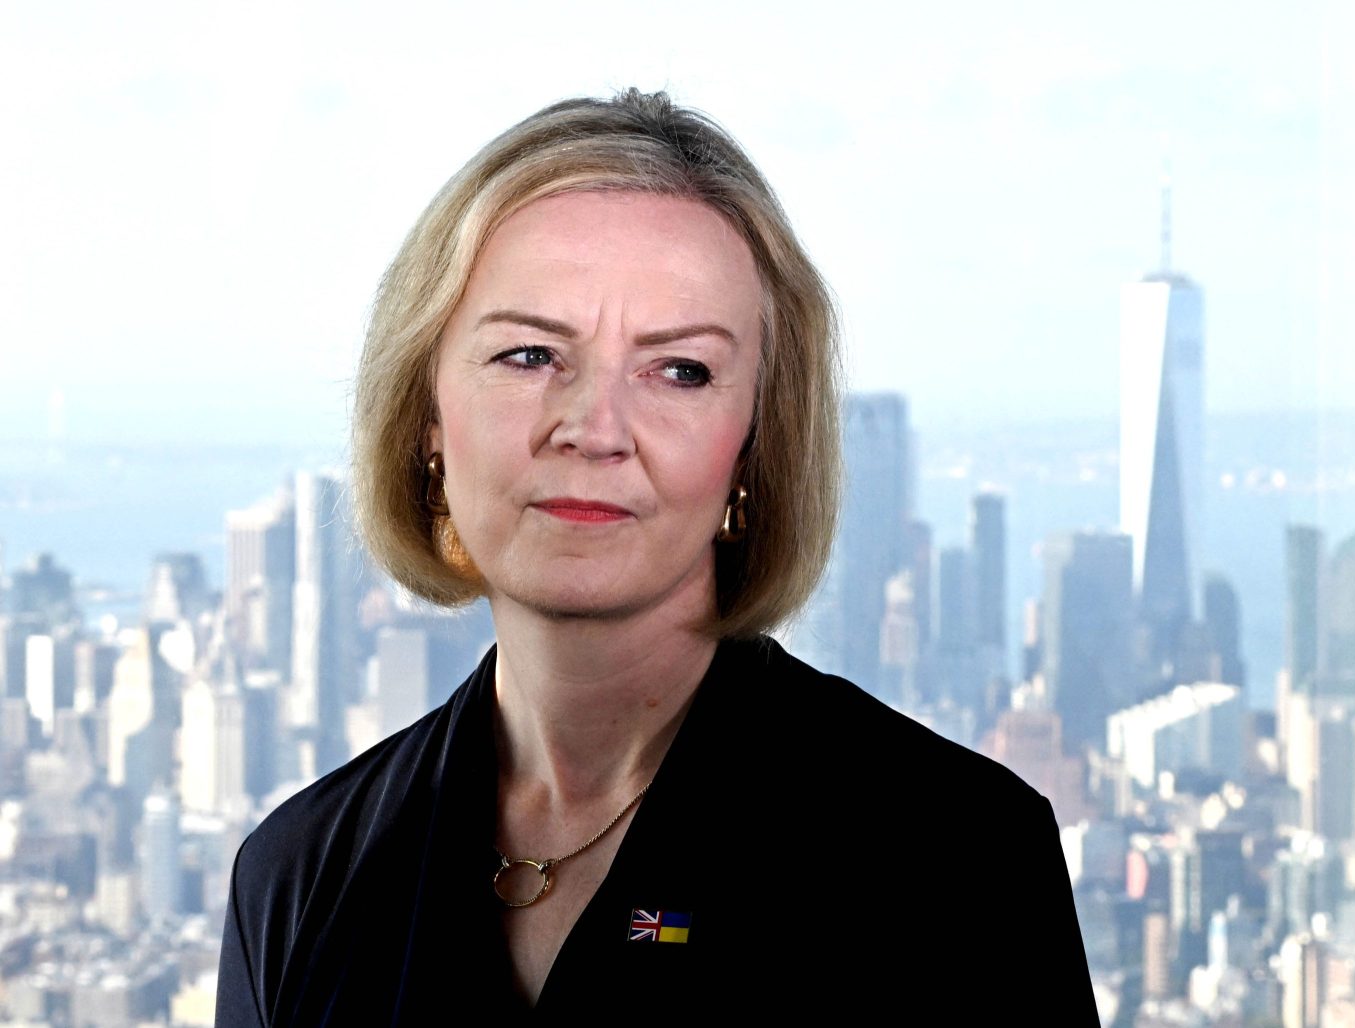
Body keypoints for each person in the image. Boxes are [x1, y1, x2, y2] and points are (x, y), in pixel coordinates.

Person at [216, 89, 1098, 1024]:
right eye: (529, 355)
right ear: (427, 414)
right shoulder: (298, 876)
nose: (594, 429)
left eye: (680, 370)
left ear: (754, 444)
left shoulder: (953, 858)